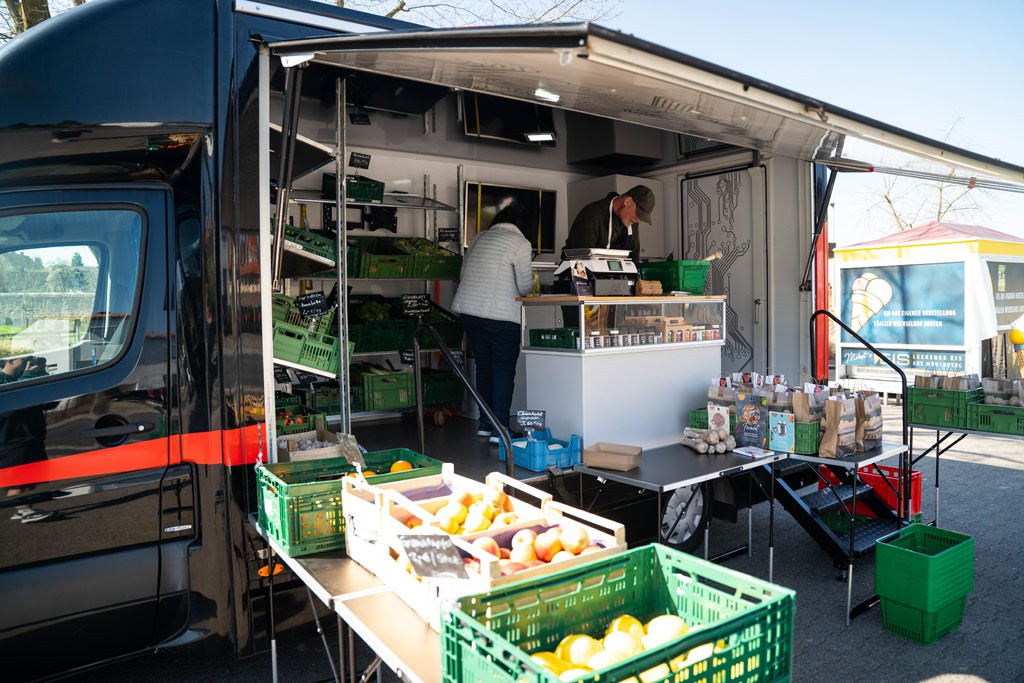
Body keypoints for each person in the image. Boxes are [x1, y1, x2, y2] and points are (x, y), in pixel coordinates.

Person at [451, 203, 534, 444]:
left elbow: (464, 273)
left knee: (484, 368)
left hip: (471, 314)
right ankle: (501, 429)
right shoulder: (521, 243)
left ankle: (485, 424)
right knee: (503, 370)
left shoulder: (478, 238)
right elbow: (525, 287)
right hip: (501, 318)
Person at [561, 185, 656, 264]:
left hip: (615, 280)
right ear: (627, 202)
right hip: (582, 277)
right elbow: (579, 260)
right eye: (638, 214)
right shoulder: (593, 214)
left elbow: (634, 260)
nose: (638, 221)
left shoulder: (631, 222)